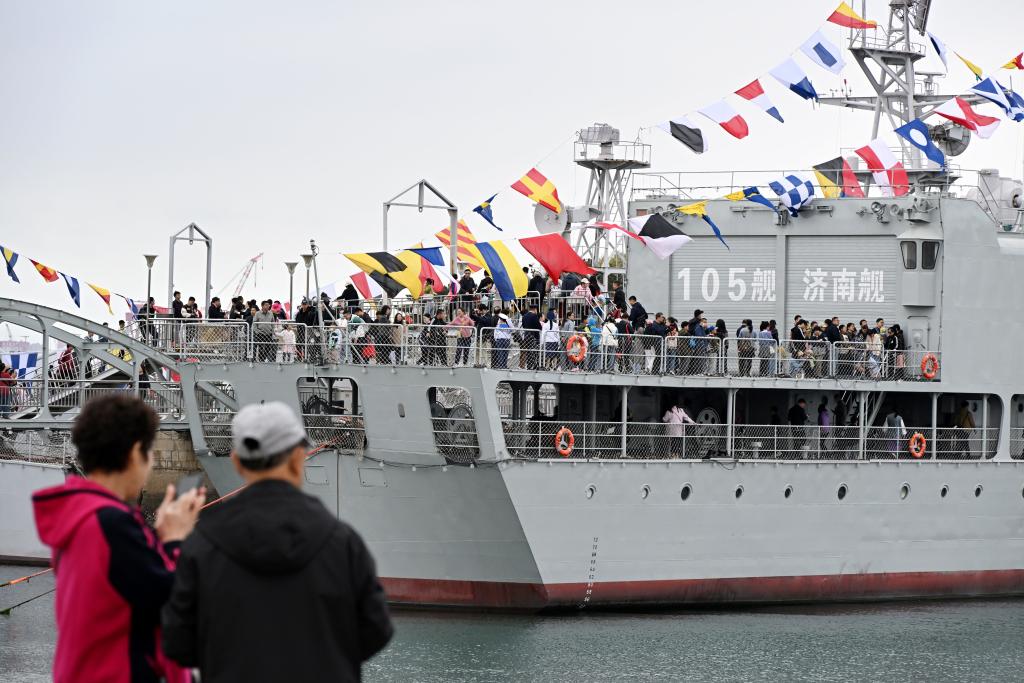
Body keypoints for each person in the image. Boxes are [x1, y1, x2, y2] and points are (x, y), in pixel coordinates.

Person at [162, 402, 392, 681]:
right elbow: (376, 629)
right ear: (298, 458)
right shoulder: (342, 542)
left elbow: (177, 640)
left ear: (237, 461)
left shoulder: (203, 545)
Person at [33, 395, 204, 683]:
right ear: (136, 452)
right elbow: (174, 600)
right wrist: (175, 541)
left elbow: (128, 591)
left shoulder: (79, 517)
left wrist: (158, 540)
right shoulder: (111, 525)